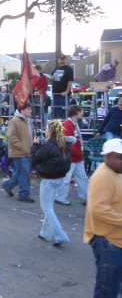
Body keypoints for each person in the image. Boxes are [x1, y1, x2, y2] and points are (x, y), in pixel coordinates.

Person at [84, 138, 122, 298]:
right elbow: (99, 209)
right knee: (107, 290)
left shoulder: (115, 173)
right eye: (119, 157)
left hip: (114, 240)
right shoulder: (103, 177)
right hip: (107, 241)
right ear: (108, 157)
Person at [32, 119, 71, 247]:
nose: (46, 131)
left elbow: (36, 157)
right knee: (49, 206)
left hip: (49, 179)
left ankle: (60, 235)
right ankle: (45, 233)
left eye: (47, 129)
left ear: (51, 131)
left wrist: (35, 145)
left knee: (46, 207)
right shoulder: (63, 143)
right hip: (59, 178)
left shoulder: (50, 145)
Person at [1, 102, 36, 202]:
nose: (30, 111)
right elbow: (10, 136)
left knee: (19, 173)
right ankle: (24, 194)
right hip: (20, 152)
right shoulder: (15, 120)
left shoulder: (28, 120)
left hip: (28, 151)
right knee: (24, 173)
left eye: (30, 109)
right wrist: (22, 146)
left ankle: (8, 185)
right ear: (22, 110)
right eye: (28, 109)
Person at [55, 105, 89, 206]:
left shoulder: (72, 123)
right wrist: (78, 152)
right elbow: (68, 142)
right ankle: (60, 197)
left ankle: (86, 196)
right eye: (80, 111)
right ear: (76, 112)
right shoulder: (68, 125)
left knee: (81, 177)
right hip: (72, 156)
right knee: (67, 178)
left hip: (76, 156)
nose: (82, 113)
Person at [51, 55, 74, 119]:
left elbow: (70, 81)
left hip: (63, 95)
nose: (62, 61)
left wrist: (66, 91)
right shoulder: (56, 68)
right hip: (55, 94)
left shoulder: (69, 69)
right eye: (61, 60)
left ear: (66, 60)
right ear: (58, 60)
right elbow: (52, 76)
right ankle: (55, 127)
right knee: (55, 112)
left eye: (63, 60)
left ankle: (64, 126)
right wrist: (52, 77)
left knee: (63, 112)